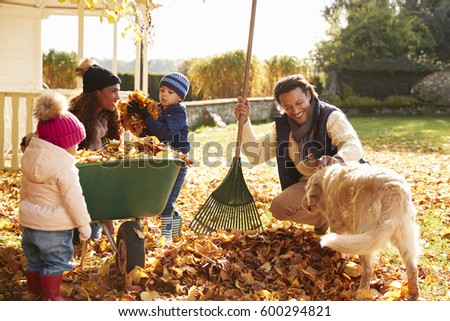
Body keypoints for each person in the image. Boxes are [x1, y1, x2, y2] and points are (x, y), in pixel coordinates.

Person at [234, 74, 365, 234]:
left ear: (308, 95)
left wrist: (337, 159)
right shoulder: (282, 128)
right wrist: (244, 121)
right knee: (278, 207)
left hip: (341, 181)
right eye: (287, 107)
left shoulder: (330, 116)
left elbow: (352, 145)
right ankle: (323, 219)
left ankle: (344, 218)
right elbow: (256, 155)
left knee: (353, 208)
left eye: (299, 103)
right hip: (310, 184)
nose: (295, 111)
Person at [19, 91, 92, 300]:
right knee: (54, 261)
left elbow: (25, 191)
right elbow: (74, 199)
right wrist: (84, 225)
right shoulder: (65, 168)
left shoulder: (29, 159)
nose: (77, 148)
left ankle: (33, 292)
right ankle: (52, 296)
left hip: (31, 224)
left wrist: (23, 217)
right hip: (54, 228)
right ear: (65, 143)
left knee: (34, 260)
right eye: (75, 143)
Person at [127, 72, 190, 244]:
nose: (164, 94)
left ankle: (166, 236)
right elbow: (154, 133)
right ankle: (174, 221)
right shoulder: (159, 110)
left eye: (170, 92)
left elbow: (164, 131)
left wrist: (146, 117)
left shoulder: (179, 113)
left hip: (177, 162)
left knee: (168, 200)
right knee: (163, 195)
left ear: (180, 97)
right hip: (162, 160)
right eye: (162, 90)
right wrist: (141, 124)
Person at [68, 58, 122, 239]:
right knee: (80, 235)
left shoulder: (108, 119)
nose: (118, 96)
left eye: (118, 91)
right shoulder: (71, 118)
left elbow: (111, 151)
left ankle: (100, 221)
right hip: (73, 183)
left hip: (99, 180)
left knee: (91, 235)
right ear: (96, 92)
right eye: (113, 91)